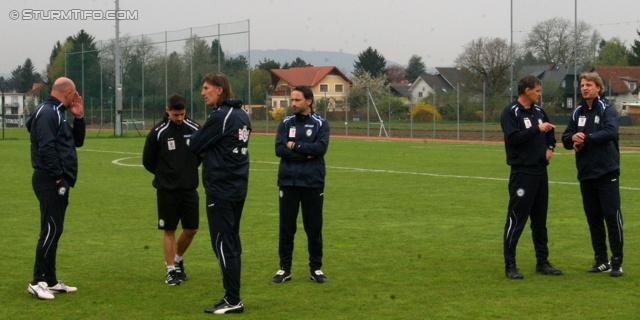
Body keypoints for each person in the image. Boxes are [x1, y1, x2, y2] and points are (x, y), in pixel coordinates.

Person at [189, 72, 251, 314]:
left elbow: (195, 144)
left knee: (223, 244)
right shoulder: (242, 114)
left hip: (221, 189)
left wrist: (206, 150)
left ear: (220, 89)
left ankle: (234, 299)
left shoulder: (221, 116)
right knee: (232, 242)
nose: (203, 92)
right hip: (237, 187)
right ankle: (230, 295)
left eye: (206, 88)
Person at [25, 77, 85, 299]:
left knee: (55, 228)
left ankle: (49, 280)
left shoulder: (58, 112)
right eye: (75, 94)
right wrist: (59, 178)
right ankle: (37, 280)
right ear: (67, 93)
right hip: (49, 180)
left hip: (57, 180)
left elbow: (76, 141)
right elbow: (46, 147)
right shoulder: (48, 112)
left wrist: (78, 117)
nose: (76, 98)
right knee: (50, 229)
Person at [500, 75, 563, 280]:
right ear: (526, 91)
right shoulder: (511, 112)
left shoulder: (539, 111)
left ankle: (542, 262)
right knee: (516, 218)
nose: (540, 94)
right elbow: (513, 139)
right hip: (522, 174)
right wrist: (537, 129)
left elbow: (550, 132)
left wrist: (550, 147)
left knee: (540, 220)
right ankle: (510, 264)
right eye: (537, 90)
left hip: (540, 173)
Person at [561, 72, 623, 277]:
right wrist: (573, 138)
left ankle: (617, 261)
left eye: (589, 84)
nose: (584, 88)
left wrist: (586, 138)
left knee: (612, 217)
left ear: (599, 87)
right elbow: (566, 138)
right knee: (593, 219)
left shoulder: (607, 109)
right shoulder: (578, 112)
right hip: (586, 174)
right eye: (582, 85)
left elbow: (610, 132)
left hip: (607, 173)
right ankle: (601, 260)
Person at [271, 86, 330, 285]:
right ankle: (284, 269)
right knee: (286, 228)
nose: (293, 104)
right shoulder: (286, 123)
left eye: (297, 100)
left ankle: (316, 268)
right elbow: (279, 149)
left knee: (313, 228)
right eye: (292, 100)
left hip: (312, 182)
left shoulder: (321, 123)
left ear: (309, 101)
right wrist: (307, 153)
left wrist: (295, 146)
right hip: (288, 181)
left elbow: (321, 148)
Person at [143, 94, 201, 286]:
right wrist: (165, 174)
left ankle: (177, 260)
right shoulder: (158, 132)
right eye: (175, 114)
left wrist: (188, 170)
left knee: (192, 228)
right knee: (169, 230)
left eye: (182, 114)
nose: (179, 118)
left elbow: (201, 153)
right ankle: (170, 271)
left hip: (189, 188)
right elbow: (148, 161)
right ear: (168, 111)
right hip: (166, 190)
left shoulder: (194, 129)